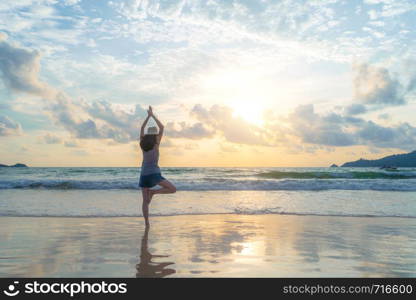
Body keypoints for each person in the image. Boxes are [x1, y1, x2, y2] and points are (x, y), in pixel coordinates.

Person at [139, 106, 176, 227]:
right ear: (155, 134)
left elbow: (142, 128)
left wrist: (148, 116)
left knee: (145, 201)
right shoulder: (156, 142)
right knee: (172, 189)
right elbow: (162, 127)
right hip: (154, 174)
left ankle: (147, 224)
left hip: (144, 174)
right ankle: (154, 192)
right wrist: (152, 115)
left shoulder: (142, 142)